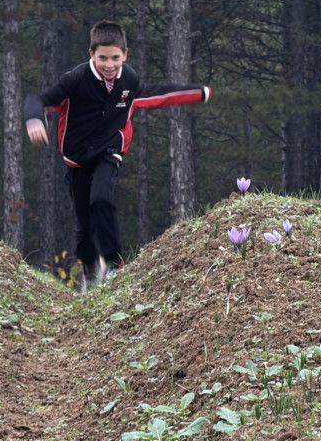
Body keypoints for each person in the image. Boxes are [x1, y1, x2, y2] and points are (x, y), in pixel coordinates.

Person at [24, 20, 212, 291]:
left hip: (110, 150)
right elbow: (38, 100)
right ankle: (88, 271)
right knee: (84, 225)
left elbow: (156, 95)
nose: (109, 65)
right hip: (76, 157)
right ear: (91, 54)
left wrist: (198, 93)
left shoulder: (129, 80)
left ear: (125, 54)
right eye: (102, 58)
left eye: (115, 58)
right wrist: (34, 120)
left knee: (101, 198)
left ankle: (113, 264)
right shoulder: (75, 80)